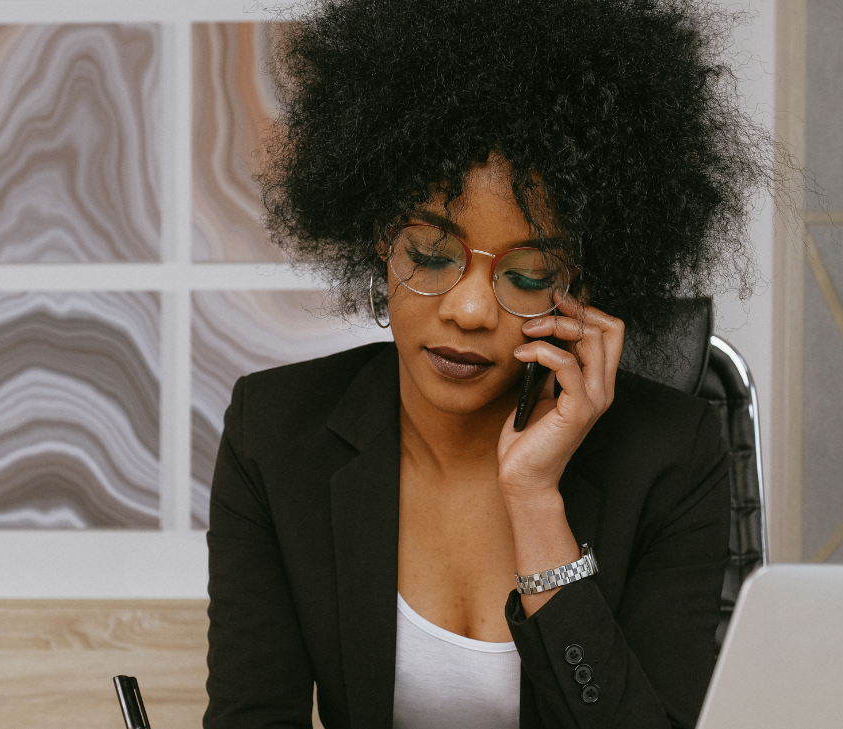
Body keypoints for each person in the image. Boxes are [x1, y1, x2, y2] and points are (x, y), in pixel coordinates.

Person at [204, 0, 770, 727]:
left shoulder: (670, 455)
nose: (470, 310)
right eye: (432, 255)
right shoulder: (276, 436)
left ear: (580, 289)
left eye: (529, 274)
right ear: (381, 241)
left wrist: (535, 500)